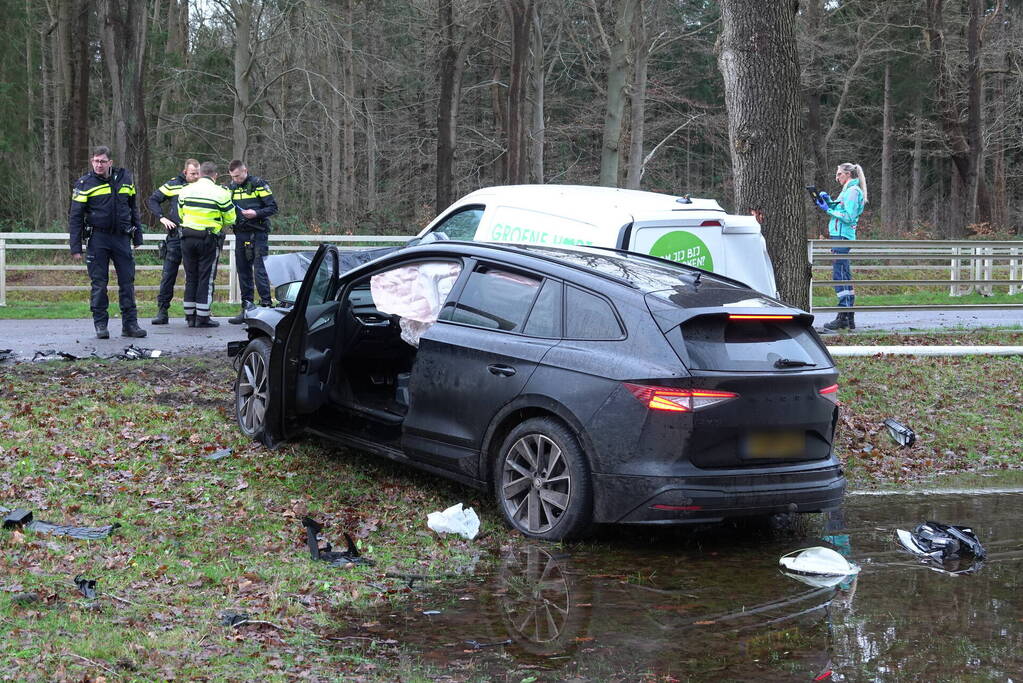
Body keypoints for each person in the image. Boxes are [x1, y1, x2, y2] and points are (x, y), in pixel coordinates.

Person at [68, 145, 147, 339]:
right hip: (98, 238)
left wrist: (138, 236)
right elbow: (75, 216)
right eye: (95, 161)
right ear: (91, 161)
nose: (98, 165)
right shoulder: (84, 183)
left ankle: (130, 325)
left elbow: (133, 208)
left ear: (110, 162)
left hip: (121, 237)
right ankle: (101, 325)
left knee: (127, 282)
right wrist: (75, 246)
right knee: (99, 283)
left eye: (102, 161)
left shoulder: (125, 178)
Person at [176, 161, 236, 328]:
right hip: (208, 239)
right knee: (206, 277)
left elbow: (181, 213)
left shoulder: (185, 190)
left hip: (187, 238)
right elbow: (231, 218)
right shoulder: (221, 193)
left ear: (200, 174)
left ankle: (189, 316)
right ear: (215, 176)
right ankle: (202, 317)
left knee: (190, 276)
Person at [146, 159, 200, 324]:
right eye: (193, 173)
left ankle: (193, 314)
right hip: (176, 236)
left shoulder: (203, 186)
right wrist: (162, 218)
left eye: (198, 173)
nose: (196, 176)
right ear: (185, 172)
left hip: (194, 236)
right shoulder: (173, 184)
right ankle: (162, 311)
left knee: (194, 275)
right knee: (169, 274)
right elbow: (153, 199)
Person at [815, 163, 867, 331]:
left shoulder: (852, 191)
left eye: (839, 174)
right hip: (840, 235)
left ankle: (843, 315)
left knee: (839, 276)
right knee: (844, 274)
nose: (837, 178)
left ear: (847, 175)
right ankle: (848, 317)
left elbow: (848, 216)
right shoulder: (847, 190)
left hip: (843, 236)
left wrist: (828, 210)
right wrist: (829, 203)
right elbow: (840, 208)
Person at [227, 160, 278, 324]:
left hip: (258, 232)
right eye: (233, 177)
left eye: (238, 176)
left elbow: (273, 207)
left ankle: (266, 305)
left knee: (259, 271)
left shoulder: (258, 184)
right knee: (243, 271)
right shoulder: (231, 187)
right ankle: (246, 308)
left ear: (245, 171)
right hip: (240, 233)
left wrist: (255, 213)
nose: (235, 179)